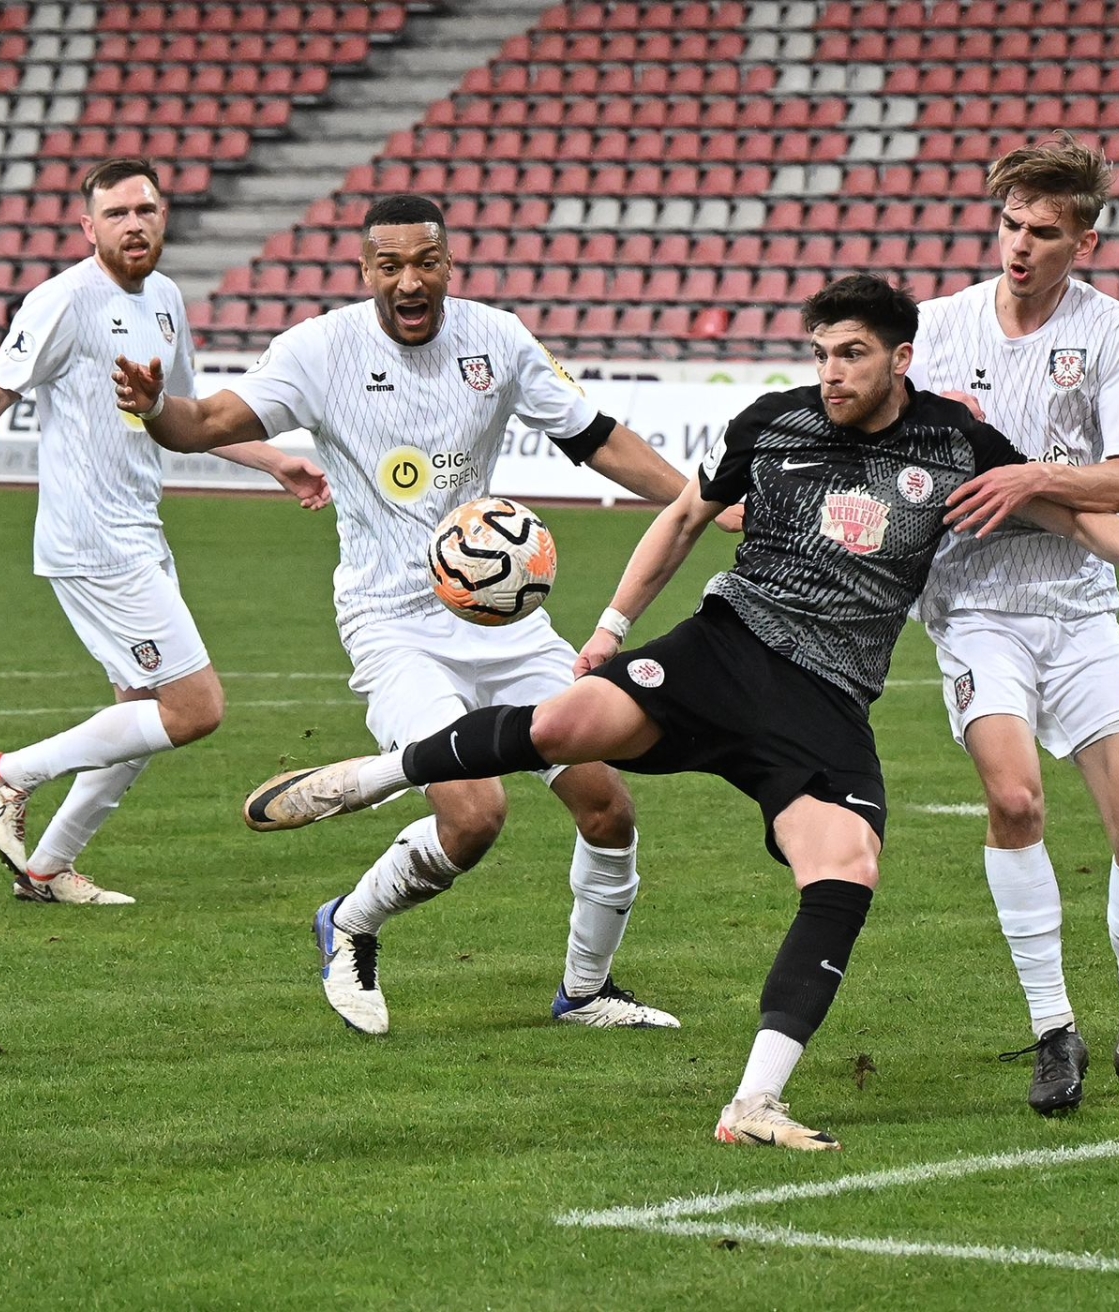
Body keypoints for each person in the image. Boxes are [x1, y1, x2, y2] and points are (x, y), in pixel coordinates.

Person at [236, 275, 1119, 1150]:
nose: (832, 372)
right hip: (725, 650)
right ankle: (371, 779)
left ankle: (754, 1100)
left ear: (901, 358)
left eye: (853, 354)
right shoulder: (773, 422)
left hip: (829, 701)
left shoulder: (954, 440)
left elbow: (1074, 510)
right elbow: (684, 518)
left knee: (846, 868)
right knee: (566, 724)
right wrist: (615, 626)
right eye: (822, 353)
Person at [111, 194, 710, 1034]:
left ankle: (585, 991)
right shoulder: (321, 350)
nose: (409, 280)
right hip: (392, 622)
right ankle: (350, 923)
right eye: (389, 265)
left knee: (607, 807)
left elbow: (597, 437)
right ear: (366, 273)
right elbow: (204, 423)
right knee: (475, 814)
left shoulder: (496, 339)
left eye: (424, 261)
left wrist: (700, 501)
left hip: (501, 618)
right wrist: (154, 408)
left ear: (448, 264)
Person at [911, 131, 1119, 1114]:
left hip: (1080, 612)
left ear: (1082, 238)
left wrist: (1037, 473)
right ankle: (1054, 1032)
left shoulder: (1116, 333)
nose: (1020, 246)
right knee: (1016, 803)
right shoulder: (938, 327)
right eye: (1010, 225)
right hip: (974, 611)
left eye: (1044, 231)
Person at [0, 157, 332, 905]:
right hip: (93, 540)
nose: (134, 224)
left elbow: (186, 416)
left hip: (137, 529)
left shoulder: (168, 299)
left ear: (164, 215)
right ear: (89, 228)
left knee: (143, 715)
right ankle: (9, 773)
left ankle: (48, 869)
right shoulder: (63, 300)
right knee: (194, 708)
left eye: (145, 209)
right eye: (116, 214)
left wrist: (274, 460)